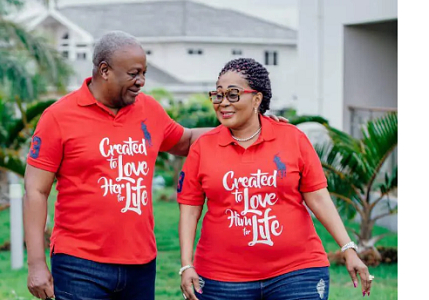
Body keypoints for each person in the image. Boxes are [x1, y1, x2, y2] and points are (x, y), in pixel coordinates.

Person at [23, 31, 286, 300]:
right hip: (80, 263)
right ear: (105, 70)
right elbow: (36, 191)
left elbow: (186, 140)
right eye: (134, 74)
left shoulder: (148, 109)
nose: (142, 82)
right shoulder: (59, 117)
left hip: (141, 262)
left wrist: (251, 124)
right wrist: (36, 264)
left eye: (144, 73)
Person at [177, 57, 374, 300]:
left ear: (257, 99)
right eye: (218, 95)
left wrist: (348, 249)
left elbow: (318, 198)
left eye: (233, 94)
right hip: (223, 280)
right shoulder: (203, 148)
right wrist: (186, 265)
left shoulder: (292, 138)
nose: (223, 103)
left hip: (297, 274)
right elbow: (189, 209)